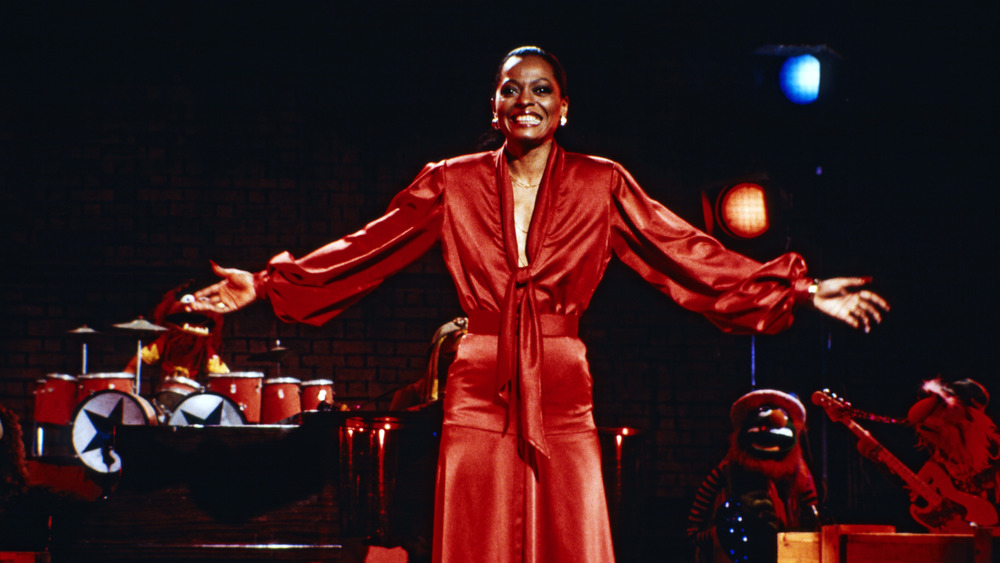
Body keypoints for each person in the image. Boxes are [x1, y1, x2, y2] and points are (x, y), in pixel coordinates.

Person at [186, 46, 889, 562]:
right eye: (511, 89)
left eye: (542, 88)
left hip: (559, 373)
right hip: (479, 373)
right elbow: (371, 247)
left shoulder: (601, 182)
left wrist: (797, 288)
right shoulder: (450, 182)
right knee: (477, 530)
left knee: (570, 529)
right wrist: (270, 284)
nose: (526, 100)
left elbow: (682, 251)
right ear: (493, 106)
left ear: (564, 107)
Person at [687, 389, 820, 563]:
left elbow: (815, 530)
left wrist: (786, 539)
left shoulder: (800, 475)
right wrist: (722, 533)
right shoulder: (726, 470)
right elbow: (692, 531)